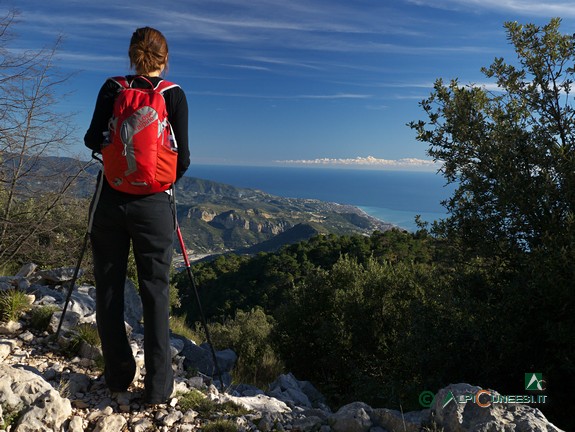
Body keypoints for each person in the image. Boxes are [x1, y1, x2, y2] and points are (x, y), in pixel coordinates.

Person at [84, 27, 190, 404]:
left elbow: (90, 138)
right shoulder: (174, 95)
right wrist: (155, 180)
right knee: (155, 293)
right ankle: (158, 388)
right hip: (155, 206)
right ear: (166, 58)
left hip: (111, 199)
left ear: (131, 55)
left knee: (110, 288)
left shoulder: (112, 88)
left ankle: (117, 376)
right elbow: (184, 159)